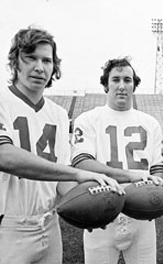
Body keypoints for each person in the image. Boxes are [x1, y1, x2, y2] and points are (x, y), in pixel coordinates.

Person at [0, 26, 123, 264]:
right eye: (31, 58)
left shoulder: (58, 114)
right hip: (8, 224)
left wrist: (92, 206)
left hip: (49, 222)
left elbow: (62, 180)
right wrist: (78, 173)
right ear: (16, 61)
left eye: (47, 60)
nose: (39, 67)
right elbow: (5, 155)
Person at [71, 56, 163, 264]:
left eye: (128, 80)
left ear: (134, 85)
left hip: (140, 215)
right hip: (101, 211)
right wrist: (131, 177)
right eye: (116, 80)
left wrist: (155, 198)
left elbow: (157, 170)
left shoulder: (151, 124)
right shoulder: (88, 119)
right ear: (106, 85)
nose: (122, 86)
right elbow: (82, 162)